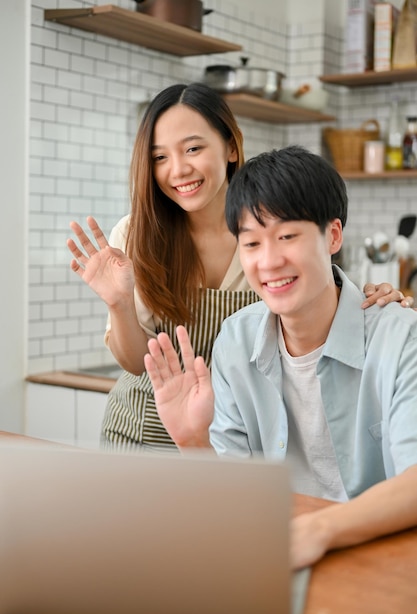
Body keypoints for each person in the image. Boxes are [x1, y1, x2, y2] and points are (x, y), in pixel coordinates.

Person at [67, 83, 411, 451]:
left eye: (193, 148)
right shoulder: (138, 234)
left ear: (231, 146)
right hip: (140, 432)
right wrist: (119, 304)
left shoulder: (264, 228)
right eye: (160, 157)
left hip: (233, 441)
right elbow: (138, 365)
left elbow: (322, 302)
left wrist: (376, 303)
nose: (178, 169)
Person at [144, 145, 417, 570]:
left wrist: (319, 530)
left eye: (287, 236)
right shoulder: (235, 340)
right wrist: (192, 441)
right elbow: (233, 500)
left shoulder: (399, 335)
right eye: (251, 243)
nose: (269, 261)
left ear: (333, 235)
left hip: (374, 555)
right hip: (275, 554)